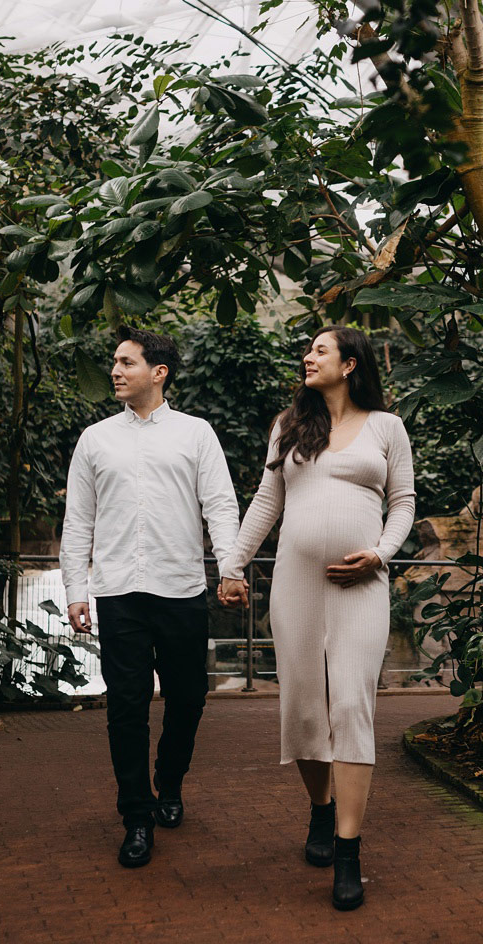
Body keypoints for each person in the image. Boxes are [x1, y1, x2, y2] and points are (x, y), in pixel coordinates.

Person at [221, 325, 415, 910]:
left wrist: (379, 554)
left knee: (352, 705)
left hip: (363, 584)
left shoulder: (387, 428)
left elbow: (403, 503)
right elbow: (266, 502)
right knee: (305, 706)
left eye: (320, 350)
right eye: (306, 350)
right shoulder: (288, 426)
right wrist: (233, 565)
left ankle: (349, 852)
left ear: (350, 363)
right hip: (296, 585)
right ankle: (321, 809)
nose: (307, 357)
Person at [60, 327, 247, 869]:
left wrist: (229, 569)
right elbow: (78, 522)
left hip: (181, 589)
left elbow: (221, 507)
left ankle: (170, 779)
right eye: (114, 362)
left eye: (126, 362)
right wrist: (76, 589)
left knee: (188, 697)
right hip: (118, 592)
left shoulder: (196, 434)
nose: (115, 371)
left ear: (159, 372)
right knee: (126, 707)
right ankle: (136, 817)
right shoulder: (95, 440)